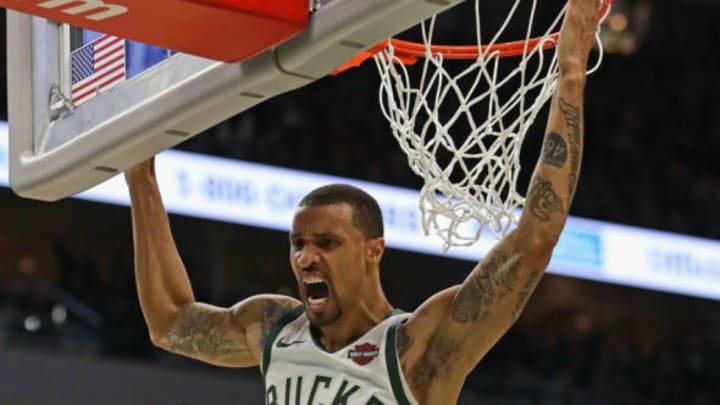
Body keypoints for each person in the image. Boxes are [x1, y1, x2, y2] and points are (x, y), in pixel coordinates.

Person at [123, 0, 599, 403]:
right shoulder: (273, 328)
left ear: (374, 249)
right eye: (298, 244)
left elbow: (535, 239)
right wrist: (140, 175)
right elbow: (169, 323)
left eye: (326, 242)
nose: (305, 257)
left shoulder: (416, 348)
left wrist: (571, 78)